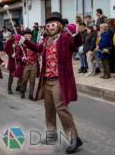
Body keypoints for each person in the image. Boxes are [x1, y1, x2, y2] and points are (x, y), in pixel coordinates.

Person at [17, 12, 83, 154]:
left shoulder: (65, 38)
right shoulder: (46, 39)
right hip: (47, 79)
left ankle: (74, 138)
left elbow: (77, 44)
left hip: (60, 79)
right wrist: (24, 41)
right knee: (49, 108)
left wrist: (75, 34)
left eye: (53, 24)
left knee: (61, 108)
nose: (50, 27)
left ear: (59, 25)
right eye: (48, 25)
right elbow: (37, 48)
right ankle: (51, 135)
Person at [14, 28, 39, 100]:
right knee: (24, 79)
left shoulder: (34, 43)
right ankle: (22, 91)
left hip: (33, 64)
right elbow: (18, 55)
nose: (28, 35)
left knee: (32, 80)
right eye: (26, 34)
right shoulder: (21, 44)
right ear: (23, 36)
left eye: (29, 34)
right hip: (25, 65)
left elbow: (38, 51)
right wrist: (22, 58)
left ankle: (31, 94)